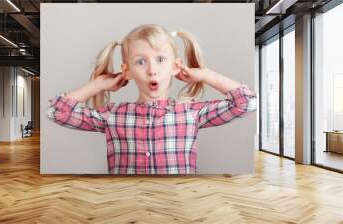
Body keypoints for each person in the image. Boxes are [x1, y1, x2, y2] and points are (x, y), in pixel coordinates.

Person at [47, 24, 257, 175]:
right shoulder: (113, 115)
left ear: (175, 66)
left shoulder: (190, 113)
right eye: (140, 61)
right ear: (127, 71)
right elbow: (57, 112)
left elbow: (246, 102)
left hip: (179, 207)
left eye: (160, 59)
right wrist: (99, 84)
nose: (152, 70)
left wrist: (205, 75)